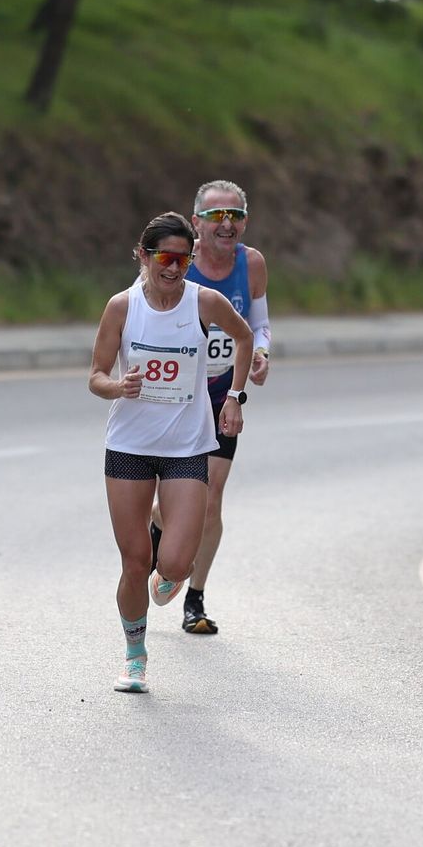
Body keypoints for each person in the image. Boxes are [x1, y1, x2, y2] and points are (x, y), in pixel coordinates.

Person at [89, 212, 252, 693]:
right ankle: (135, 655)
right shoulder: (122, 307)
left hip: (185, 446)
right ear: (143, 255)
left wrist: (234, 397)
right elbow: (95, 376)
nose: (175, 267)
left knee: (176, 565)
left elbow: (243, 338)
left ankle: (171, 573)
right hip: (130, 446)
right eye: (165, 257)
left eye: (184, 258)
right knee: (135, 561)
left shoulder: (206, 303)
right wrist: (118, 385)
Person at [150, 179, 271, 634]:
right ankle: (160, 529)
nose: (227, 224)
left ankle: (194, 599)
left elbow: (259, 327)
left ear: (244, 222)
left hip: (223, 396)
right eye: (216, 215)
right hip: (174, 397)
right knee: (168, 500)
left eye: (235, 215)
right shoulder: (177, 263)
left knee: (210, 499)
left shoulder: (252, 263)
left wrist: (260, 354)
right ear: (196, 221)